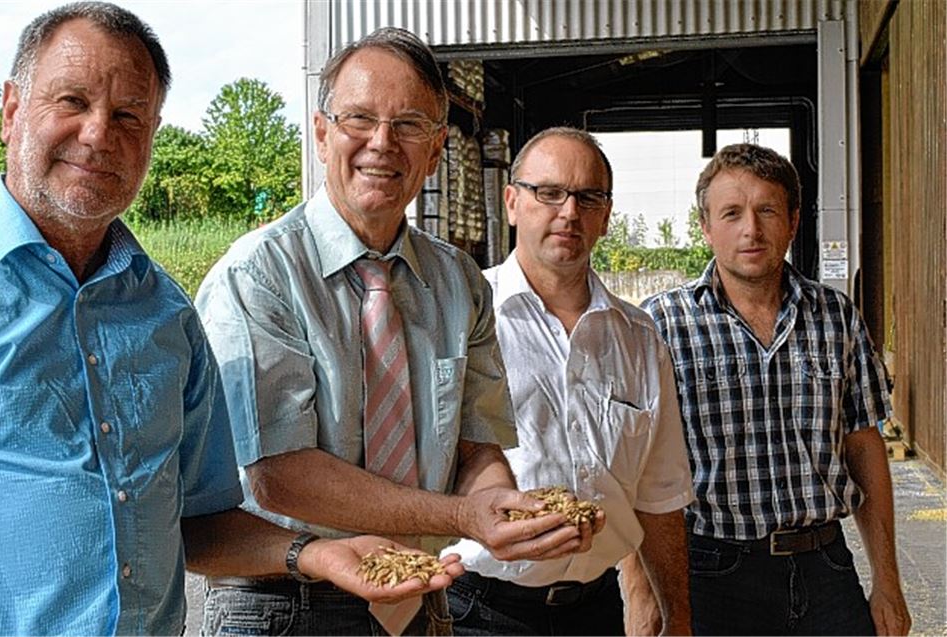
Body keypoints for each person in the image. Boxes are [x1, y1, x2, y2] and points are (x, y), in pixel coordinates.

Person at [0, 4, 458, 635]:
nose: (98, 134)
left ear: (151, 135)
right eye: (72, 102)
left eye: (128, 115)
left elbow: (198, 525)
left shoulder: (166, 315)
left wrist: (311, 553)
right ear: (11, 109)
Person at [195, 28, 601, 636]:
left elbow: (476, 447)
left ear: (437, 150)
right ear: (322, 130)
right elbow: (279, 476)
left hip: (418, 600)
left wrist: (500, 506)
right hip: (286, 604)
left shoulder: (458, 280)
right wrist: (465, 515)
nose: (382, 143)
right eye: (359, 118)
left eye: (409, 124)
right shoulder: (259, 276)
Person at [643, 143, 911, 636]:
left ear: (792, 220)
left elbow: (864, 446)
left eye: (767, 210)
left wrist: (888, 582)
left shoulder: (837, 317)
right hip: (711, 574)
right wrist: (644, 596)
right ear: (705, 227)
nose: (751, 229)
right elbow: (638, 468)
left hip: (825, 568)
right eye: (731, 213)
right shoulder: (661, 325)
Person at [440, 127, 693, 636]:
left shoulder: (639, 337)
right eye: (548, 192)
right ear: (512, 202)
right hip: (475, 610)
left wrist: (677, 617)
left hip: (595, 611)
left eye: (587, 197)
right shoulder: (459, 318)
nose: (569, 212)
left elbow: (659, 497)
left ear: (606, 215)